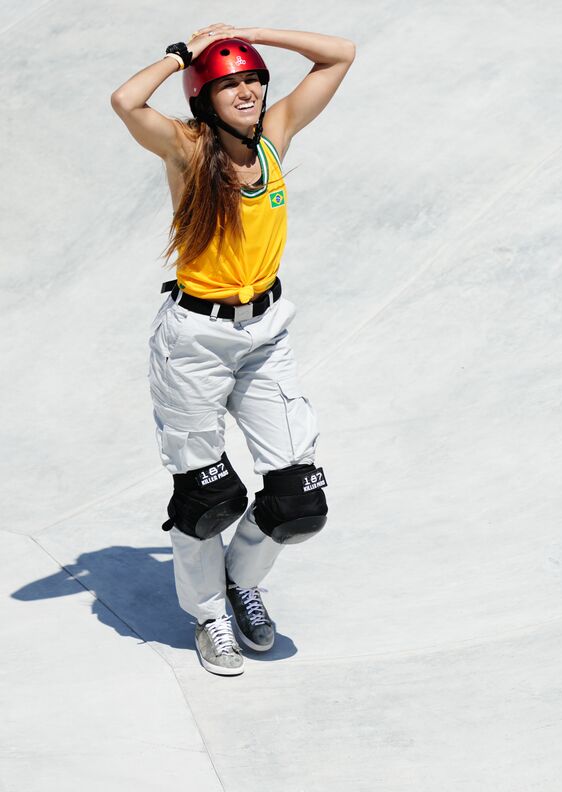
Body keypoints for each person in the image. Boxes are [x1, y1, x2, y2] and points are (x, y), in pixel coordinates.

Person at [110, 25, 355, 676]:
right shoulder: (187, 150)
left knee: (298, 496)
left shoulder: (274, 138)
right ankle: (209, 612)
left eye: (253, 79)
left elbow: (341, 54)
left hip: (266, 330)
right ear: (204, 95)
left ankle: (242, 581)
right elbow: (126, 103)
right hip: (195, 338)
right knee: (206, 494)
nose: (247, 91)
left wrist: (248, 36)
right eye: (230, 84)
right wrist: (175, 57)